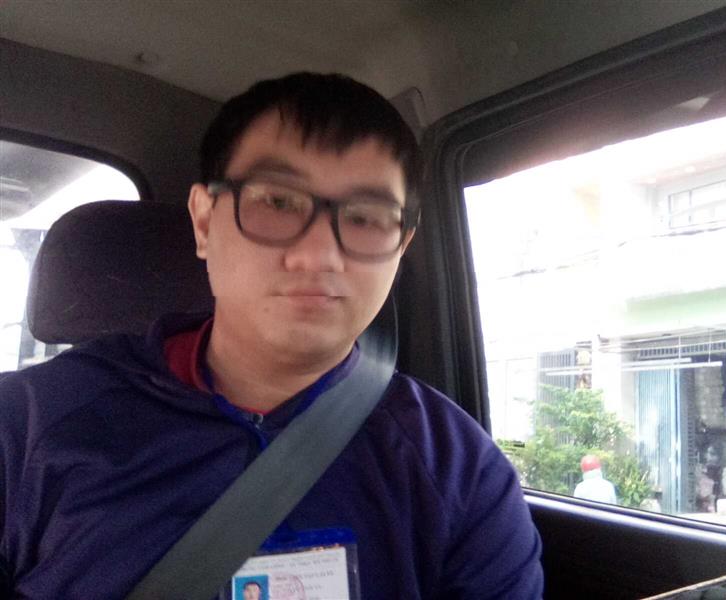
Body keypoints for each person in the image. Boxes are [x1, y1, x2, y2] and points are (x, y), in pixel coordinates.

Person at [0, 73, 544, 598]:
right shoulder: (27, 427)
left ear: (401, 248)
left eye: (366, 217)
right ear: (205, 221)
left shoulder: (459, 470)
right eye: (278, 202)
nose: (318, 255)